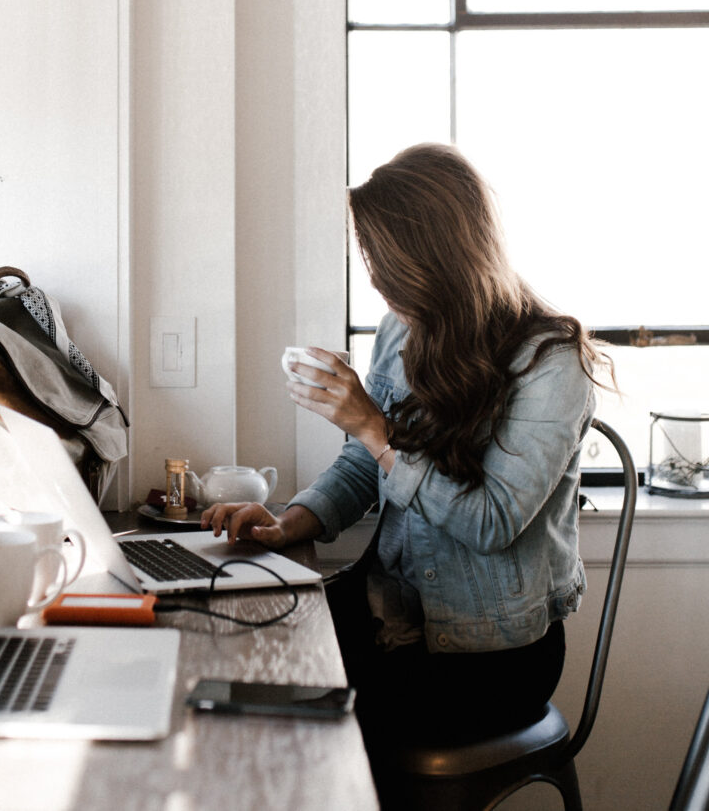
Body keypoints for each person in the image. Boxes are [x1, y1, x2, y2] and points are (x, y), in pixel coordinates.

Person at [200, 142, 615, 794]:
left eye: (383, 260)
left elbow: (492, 520)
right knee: (245, 651)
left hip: (492, 655)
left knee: (304, 729)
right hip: (391, 610)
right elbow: (365, 463)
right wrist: (290, 521)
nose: (375, 280)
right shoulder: (403, 331)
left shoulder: (552, 362)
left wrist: (372, 425)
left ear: (438, 256)